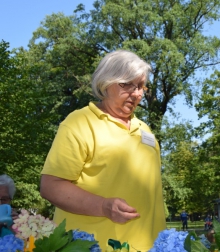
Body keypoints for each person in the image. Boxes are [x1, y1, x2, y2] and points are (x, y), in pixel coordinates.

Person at [40, 50, 166, 250]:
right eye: (126, 85)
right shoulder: (80, 123)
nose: (136, 93)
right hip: (92, 246)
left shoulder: (145, 130)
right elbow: (51, 186)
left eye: (141, 86)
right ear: (105, 84)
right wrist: (103, 206)